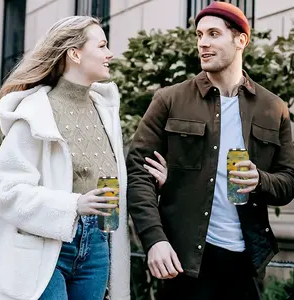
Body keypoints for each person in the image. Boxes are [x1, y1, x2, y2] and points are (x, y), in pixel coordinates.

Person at [126, 2, 294, 300]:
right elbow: (138, 172)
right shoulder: (169, 99)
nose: (203, 42)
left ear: (240, 40)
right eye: (199, 35)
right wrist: (154, 240)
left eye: (213, 34)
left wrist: (260, 181)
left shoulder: (273, 108)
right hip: (185, 261)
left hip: (246, 262)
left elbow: (288, 182)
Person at [0, 16, 165, 300]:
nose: (110, 54)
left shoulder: (105, 110)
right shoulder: (34, 112)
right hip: (45, 247)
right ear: (74, 54)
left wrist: (153, 183)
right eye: (102, 45)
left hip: (99, 242)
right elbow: (6, 191)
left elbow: (109, 180)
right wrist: (73, 204)